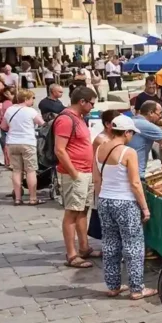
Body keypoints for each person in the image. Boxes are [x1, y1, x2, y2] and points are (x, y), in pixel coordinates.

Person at [93, 115, 154, 299]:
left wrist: (99, 201)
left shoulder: (99, 149)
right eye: (132, 133)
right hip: (125, 202)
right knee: (133, 244)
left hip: (105, 199)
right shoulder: (128, 152)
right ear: (126, 132)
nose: (133, 137)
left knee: (110, 244)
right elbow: (135, 183)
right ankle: (137, 288)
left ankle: (113, 286)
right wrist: (144, 208)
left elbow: (97, 179)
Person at [55, 86, 99, 269]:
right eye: (92, 103)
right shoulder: (66, 119)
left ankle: (84, 247)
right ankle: (72, 254)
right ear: (82, 101)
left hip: (84, 171)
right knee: (72, 213)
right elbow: (60, 149)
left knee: (83, 210)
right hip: (75, 173)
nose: (93, 107)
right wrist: (74, 173)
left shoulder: (79, 118)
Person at [3, 90, 45, 205]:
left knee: (16, 170)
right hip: (27, 142)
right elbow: (42, 123)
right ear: (26, 99)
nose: (33, 101)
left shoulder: (9, 110)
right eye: (32, 98)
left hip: (12, 143)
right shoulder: (31, 111)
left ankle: (17, 198)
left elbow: (3, 126)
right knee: (30, 170)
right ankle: (32, 198)